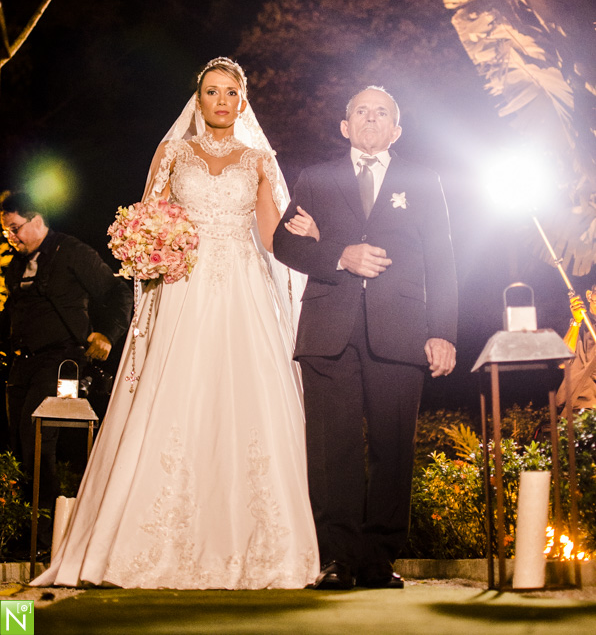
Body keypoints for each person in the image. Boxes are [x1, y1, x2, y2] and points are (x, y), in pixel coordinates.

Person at [34, 58, 318, 589]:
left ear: (243, 100)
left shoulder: (258, 159)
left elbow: (273, 236)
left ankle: (257, 547)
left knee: (245, 397)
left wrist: (310, 234)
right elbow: (150, 215)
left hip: (242, 289)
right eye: (212, 92)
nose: (222, 101)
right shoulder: (173, 152)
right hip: (183, 284)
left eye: (231, 93)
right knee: (175, 392)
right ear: (198, 98)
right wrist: (146, 246)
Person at [273, 86, 458, 590]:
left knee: (393, 447)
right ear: (344, 126)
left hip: (401, 331)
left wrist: (443, 332)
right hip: (328, 329)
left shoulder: (424, 180)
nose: (371, 119)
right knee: (332, 450)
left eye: (382, 114)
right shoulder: (317, 176)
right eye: (361, 111)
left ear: (396, 131)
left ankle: (378, 559)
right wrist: (339, 253)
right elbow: (283, 241)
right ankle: (337, 558)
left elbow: (442, 259)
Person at [0, 192, 133, 554]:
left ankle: (46, 537)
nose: (11, 237)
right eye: (7, 231)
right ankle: (31, 530)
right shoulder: (14, 266)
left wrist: (107, 335)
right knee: (17, 441)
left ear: (37, 219)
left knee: (38, 436)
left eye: (15, 229)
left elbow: (117, 291)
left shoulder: (72, 252)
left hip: (64, 362)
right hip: (24, 362)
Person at [556, 288, 596, 411]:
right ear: (589, 295)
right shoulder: (576, 322)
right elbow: (562, 361)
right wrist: (576, 322)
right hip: (579, 409)